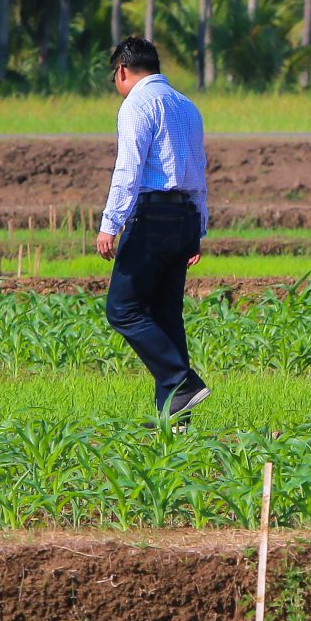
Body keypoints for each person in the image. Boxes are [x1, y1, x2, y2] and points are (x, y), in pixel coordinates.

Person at [96, 36, 210, 421]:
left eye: (115, 74)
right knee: (165, 314)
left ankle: (183, 382)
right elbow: (198, 171)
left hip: (153, 215)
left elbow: (128, 169)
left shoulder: (137, 104)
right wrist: (198, 227)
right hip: (183, 218)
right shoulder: (186, 105)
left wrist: (110, 224)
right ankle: (175, 417)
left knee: (123, 309)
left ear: (123, 70)